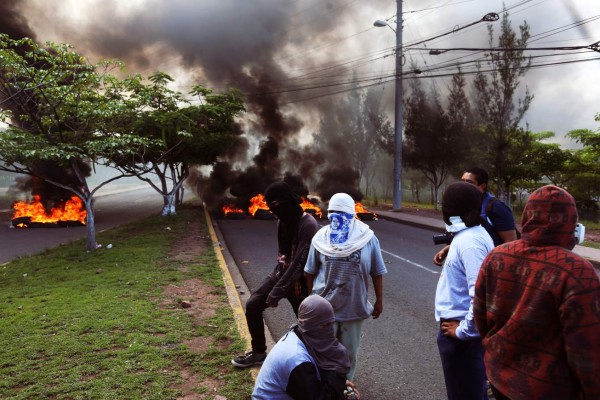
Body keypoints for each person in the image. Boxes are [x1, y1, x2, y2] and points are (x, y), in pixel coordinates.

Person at [473, 185, 600, 400]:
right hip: (550, 390)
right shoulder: (577, 272)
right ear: (571, 222)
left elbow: (480, 317)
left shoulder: (497, 256)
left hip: (499, 378)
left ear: (528, 215)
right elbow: (586, 349)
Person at [232, 181, 320, 368]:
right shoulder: (282, 222)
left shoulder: (308, 225)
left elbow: (300, 263)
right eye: (270, 206)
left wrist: (277, 292)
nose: (274, 211)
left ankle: (319, 361)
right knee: (253, 304)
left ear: (287, 202)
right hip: (284, 274)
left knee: (308, 322)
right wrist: (277, 279)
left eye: (276, 206)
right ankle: (258, 352)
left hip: (303, 281)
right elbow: (284, 255)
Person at [304, 192, 387, 381]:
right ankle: (324, 388)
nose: (337, 217)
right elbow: (310, 271)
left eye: (341, 212)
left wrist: (379, 301)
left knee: (349, 355)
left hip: (353, 308)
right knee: (323, 353)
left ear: (352, 213)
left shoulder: (368, 238)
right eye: (333, 212)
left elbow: (377, 271)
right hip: (325, 309)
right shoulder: (320, 238)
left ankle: (345, 387)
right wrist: (311, 300)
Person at [434, 182, 494, 400]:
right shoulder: (469, 235)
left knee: (465, 394)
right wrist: (451, 250)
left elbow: (480, 295)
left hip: (462, 337)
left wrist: (463, 331)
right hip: (460, 333)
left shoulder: (470, 243)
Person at [252, 295, 360, 400]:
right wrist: (338, 381)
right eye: (324, 325)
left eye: (330, 324)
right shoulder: (297, 360)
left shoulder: (300, 333)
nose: (330, 330)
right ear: (309, 324)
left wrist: (340, 385)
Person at [434, 166, 517, 266]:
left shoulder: (496, 207)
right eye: (462, 181)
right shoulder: (466, 205)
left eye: (469, 182)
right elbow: (466, 236)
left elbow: (511, 243)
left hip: (488, 266)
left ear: (483, 186)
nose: (463, 185)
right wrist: (447, 250)